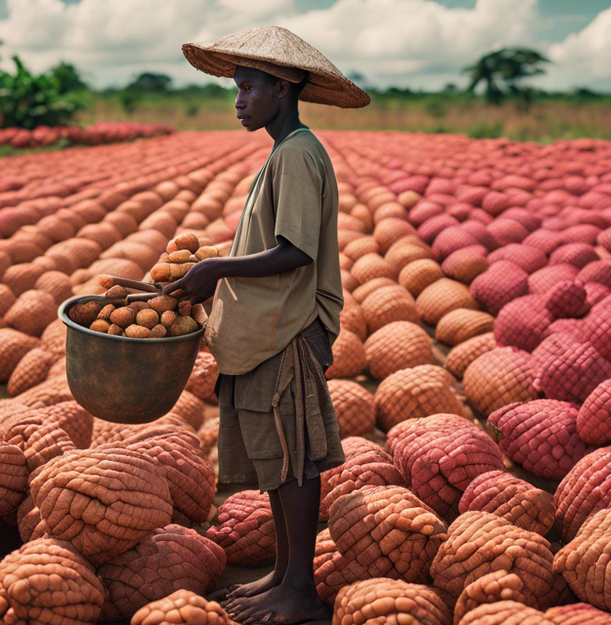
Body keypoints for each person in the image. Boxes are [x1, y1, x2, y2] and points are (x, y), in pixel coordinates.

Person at [167, 26, 369, 625]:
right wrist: (210, 269)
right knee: (278, 465)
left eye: (249, 87)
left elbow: (295, 252)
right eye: (236, 87)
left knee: (295, 462)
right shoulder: (282, 152)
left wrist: (215, 268)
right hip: (265, 332)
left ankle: (301, 590)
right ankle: (283, 574)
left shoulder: (300, 154)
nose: (238, 99)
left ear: (282, 89)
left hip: (287, 331)